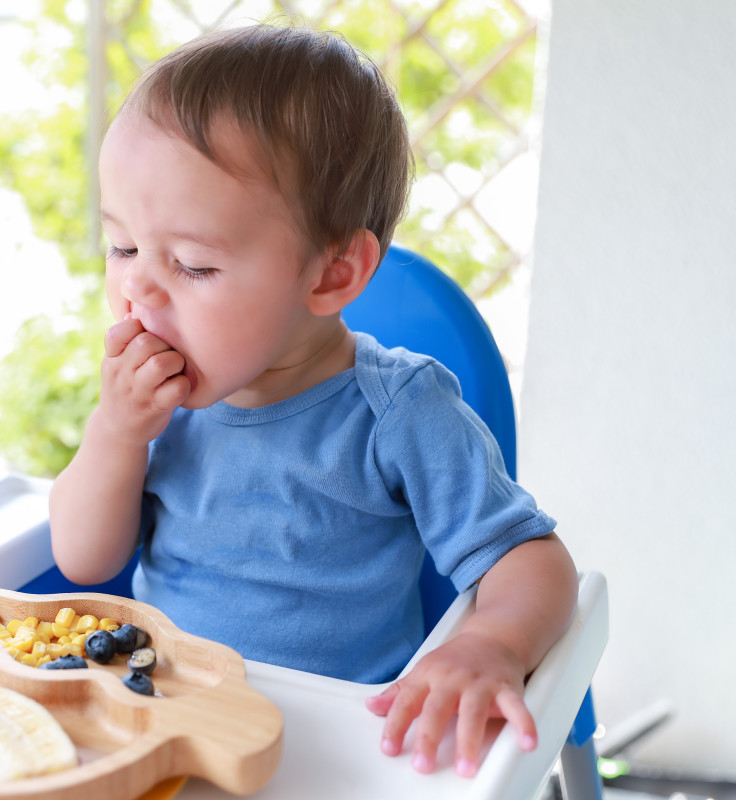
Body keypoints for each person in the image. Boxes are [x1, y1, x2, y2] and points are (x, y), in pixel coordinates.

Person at [48, 22, 578, 779]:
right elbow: (82, 557)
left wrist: (489, 642)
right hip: (162, 718)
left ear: (331, 275)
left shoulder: (398, 412)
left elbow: (531, 558)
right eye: (123, 247)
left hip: (335, 752)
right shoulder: (158, 405)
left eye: (192, 264)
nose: (136, 286)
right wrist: (117, 433)